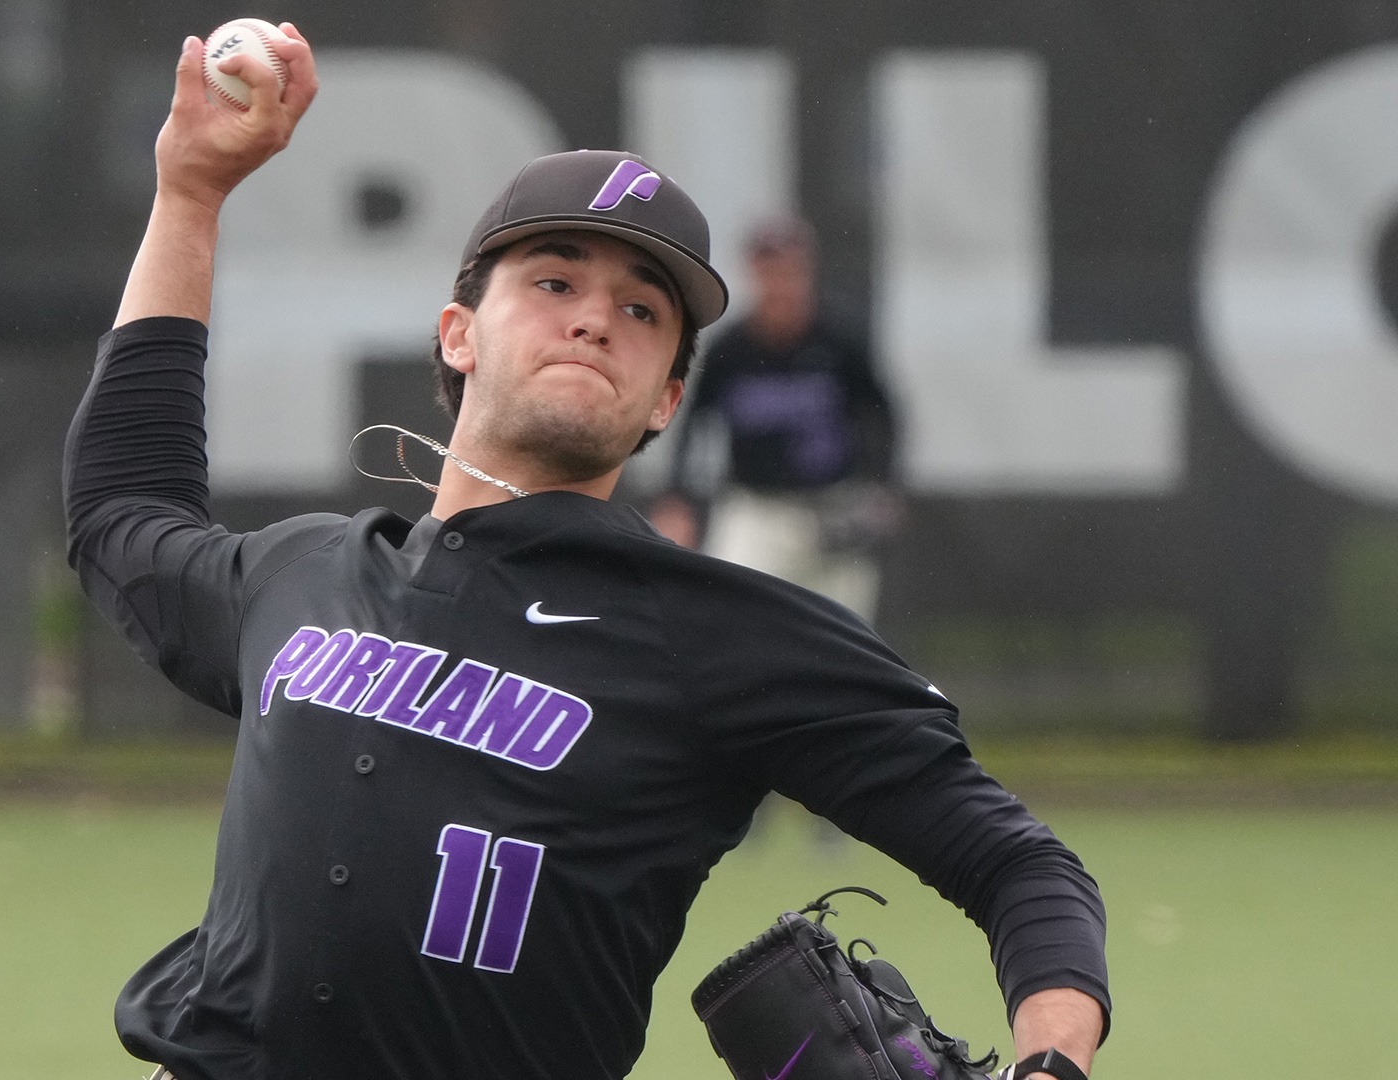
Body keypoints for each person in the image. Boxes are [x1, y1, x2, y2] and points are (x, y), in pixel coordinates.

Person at [64, 24, 1107, 1080]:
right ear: (459, 333)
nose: (596, 319)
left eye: (642, 309)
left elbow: (1020, 866)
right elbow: (122, 511)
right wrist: (189, 195)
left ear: (666, 400)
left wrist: (1051, 1069)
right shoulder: (307, 576)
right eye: (555, 283)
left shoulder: (721, 635)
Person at [650, 217, 900, 624]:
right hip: (756, 509)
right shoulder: (732, 348)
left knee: (842, 636)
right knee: (734, 619)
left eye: (790, 269)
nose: (781, 282)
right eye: (770, 269)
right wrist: (678, 497)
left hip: (832, 510)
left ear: (808, 270)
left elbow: (882, 412)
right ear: (753, 272)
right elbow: (694, 423)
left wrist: (882, 486)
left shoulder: (838, 340)